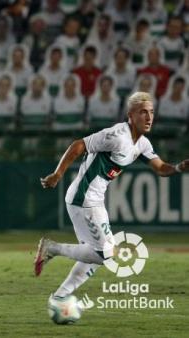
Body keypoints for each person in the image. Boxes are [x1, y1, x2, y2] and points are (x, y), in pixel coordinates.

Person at [34, 91, 189, 303]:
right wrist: (58, 173)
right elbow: (78, 145)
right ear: (131, 115)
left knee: (96, 255)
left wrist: (180, 167)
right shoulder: (117, 136)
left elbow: (161, 168)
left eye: (152, 112)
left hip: (93, 200)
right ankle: (51, 248)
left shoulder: (142, 143)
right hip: (85, 198)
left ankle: (60, 297)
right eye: (143, 112)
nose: (149, 117)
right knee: (106, 254)